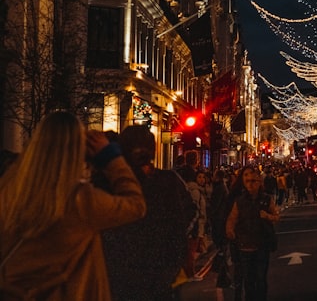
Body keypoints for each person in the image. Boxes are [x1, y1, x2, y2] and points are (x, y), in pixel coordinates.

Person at [0, 111, 146, 299]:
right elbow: (135, 205)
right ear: (77, 150)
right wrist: (111, 158)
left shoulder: (9, 191)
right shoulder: (80, 201)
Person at [102, 125, 196, 301]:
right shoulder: (167, 181)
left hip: (122, 273)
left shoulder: (114, 182)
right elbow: (188, 214)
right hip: (160, 272)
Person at [226, 167, 279, 301]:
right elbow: (232, 219)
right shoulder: (240, 201)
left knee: (261, 279)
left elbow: (276, 216)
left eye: (254, 181)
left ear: (259, 182)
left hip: (261, 245)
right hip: (244, 246)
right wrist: (230, 231)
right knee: (248, 281)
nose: (250, 184)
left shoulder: (267, 199)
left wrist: (267, 216)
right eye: (248, 180)